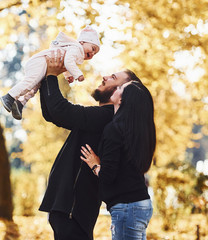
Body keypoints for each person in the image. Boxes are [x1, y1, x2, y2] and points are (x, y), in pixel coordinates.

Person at [38, 51, 142, 240]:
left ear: (122, 94)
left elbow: (61, 110)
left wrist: (51, 75)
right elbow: (53, 114)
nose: (105, 77)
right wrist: (45, 77)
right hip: (70, 208)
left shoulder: (107, 117)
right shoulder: (104, 117)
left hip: (73, 209)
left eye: (113, 78)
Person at [80, 80, 156, 240]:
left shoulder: (114, 129)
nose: (116, 88)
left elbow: (108, 176)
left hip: (127, 207)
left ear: (122, 100)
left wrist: (95, 166)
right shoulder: (138, 131)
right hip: (141, 203)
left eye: (121, 88)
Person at [0, 25, 100, 120]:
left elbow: (64, 62)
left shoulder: (74, 51)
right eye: (93, 49)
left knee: (34, 87)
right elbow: (68, 62)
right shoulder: (77, 48)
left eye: (94, 54)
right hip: (41, 61)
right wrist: (77, 74)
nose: (92, 54)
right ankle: (9, 97)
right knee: (31, 82)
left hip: (44, 65)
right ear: (82, 42)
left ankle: (20, 103)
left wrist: (68, 75)